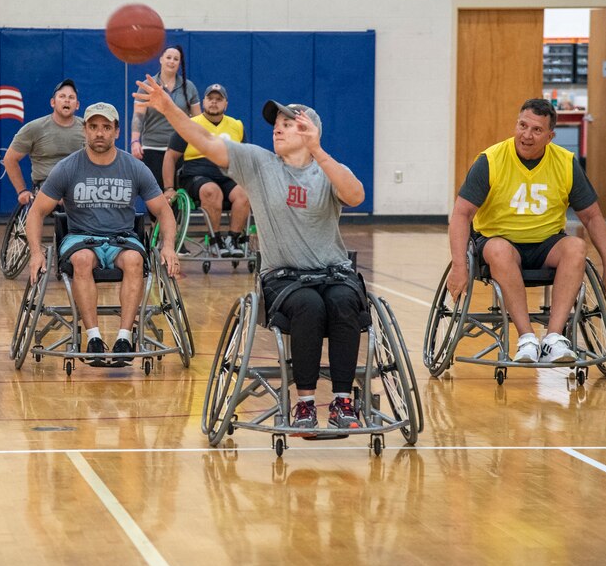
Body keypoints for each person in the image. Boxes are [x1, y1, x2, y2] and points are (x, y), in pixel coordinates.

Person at [135, 77, 367, 432]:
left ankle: (342, 400)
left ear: (311, 132)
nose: (278, 129)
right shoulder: (259, 163)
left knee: (345, 300)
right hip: (285, 278)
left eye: (289, 124)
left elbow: (355, 196)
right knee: (309, 306)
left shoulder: (328, 170)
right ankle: (305, 403)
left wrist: (318, 151)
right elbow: (207, 142)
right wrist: (168, 108)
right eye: (277, 124)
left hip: (332, 272)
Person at [446, 98, 606, 364]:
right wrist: (459, 265)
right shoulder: (490, 160)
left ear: (550, 136)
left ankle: (553, 338)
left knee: (576, 247)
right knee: (499, 249)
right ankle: (527, 337)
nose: (526, 135)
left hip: (546, 244)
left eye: (536, 130)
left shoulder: (565, 162)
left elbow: (592, 215)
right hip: (497, 241)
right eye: (522, 125)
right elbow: (461, 214)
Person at [25, 102, 179, 365]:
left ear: (116, 131)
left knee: (134, 260)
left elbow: (164, 212)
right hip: (80, 238)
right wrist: (36, 252)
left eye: (106, 127)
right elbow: (36, 213)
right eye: (94, 127)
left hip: (121, 237)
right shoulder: (67, 167)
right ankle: (94, 337)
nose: (99, 133)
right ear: (84, 130)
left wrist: (168, 246)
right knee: (82, 259)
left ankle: (123, 339)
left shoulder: (134, 167)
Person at [161, 83, 251, 257]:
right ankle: (214, 240)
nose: (214, 102)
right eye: (210, 98)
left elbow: (244, 158)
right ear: (203, 102)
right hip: (197, 174)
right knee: (211, 191)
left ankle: (232, 239)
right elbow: (170, 157)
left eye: (219, 99)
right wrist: (169, 188)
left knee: (244, 194)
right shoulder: (190, 125)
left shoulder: (236, 126)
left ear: (226, 104)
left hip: (227, 174)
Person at [3, 78, 85, 206]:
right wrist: (22, 191)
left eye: (71, 97)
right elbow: (9, 159)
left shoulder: (87, 129)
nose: (67, 100)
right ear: (53, 102)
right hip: (45, 186)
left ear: (77, 105)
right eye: (62, 96)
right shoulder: (34, 128)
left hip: (79, 186)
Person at [131, 46, 200, 187]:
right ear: (161, 59)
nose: (171, 61)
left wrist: (199, 143)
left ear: (179, 63)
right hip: (153, 147)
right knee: (155, 196)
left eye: (176, 59)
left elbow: (198, 120)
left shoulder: (189, 87)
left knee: (177, 198)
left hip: (180, 150)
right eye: (168, 57)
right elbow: (138, 116)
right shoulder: (148, 85)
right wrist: (135, 141)